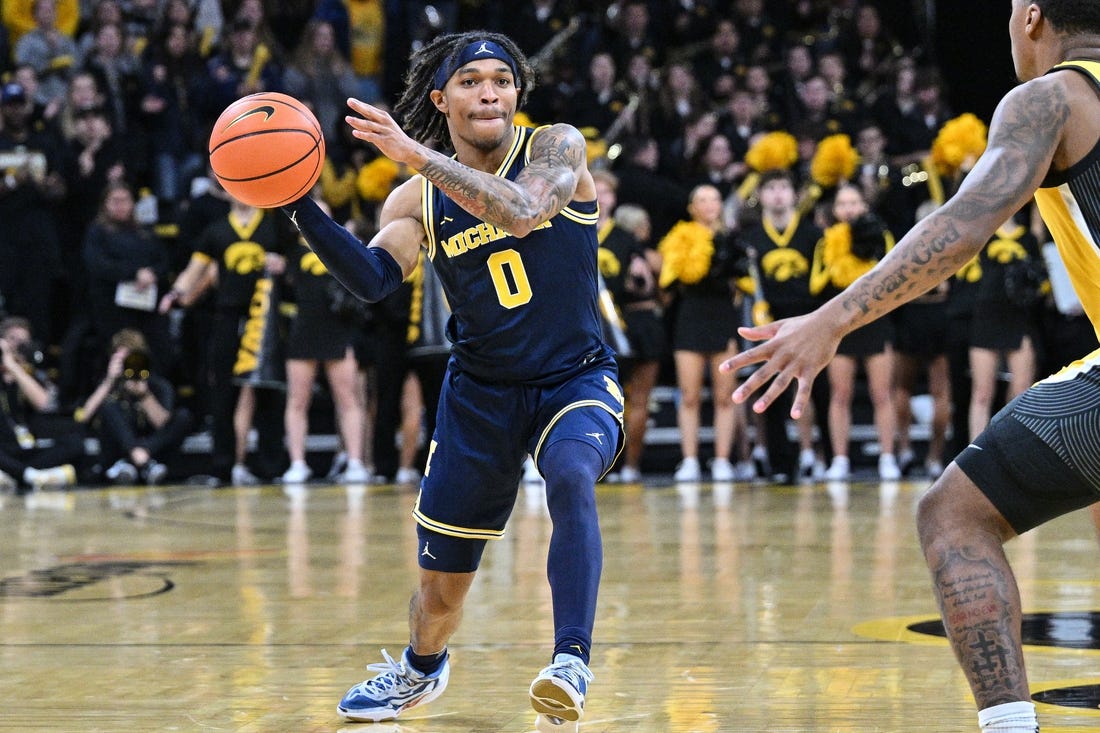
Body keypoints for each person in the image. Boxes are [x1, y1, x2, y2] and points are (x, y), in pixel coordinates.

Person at [721, 4, 1100, 731]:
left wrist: (831, 319)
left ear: (1030, 19)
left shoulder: (1050, 97)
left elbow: (962, 224)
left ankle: (1010, 726)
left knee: (953, 513)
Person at [279, 31, 624, 727]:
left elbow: (525, 212)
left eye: (502, 78)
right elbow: (375, 278)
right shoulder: (414, 199)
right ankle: (420, 668)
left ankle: (571, 659)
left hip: (574, 377)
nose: (490, 91)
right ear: (441, 99)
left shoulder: (557, 148)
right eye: (471, 81)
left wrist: (417, 154)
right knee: (440, 592)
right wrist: (297, 203)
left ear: (517, 93)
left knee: (569, 475)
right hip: (480, 396)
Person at [809, 183, 901, 481]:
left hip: (875, 320)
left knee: (881, 393)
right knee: (840, 394)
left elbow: (894, 276)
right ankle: (840, 459)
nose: (848, 209)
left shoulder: (882, 234)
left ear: (864, 206)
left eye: (854, 202)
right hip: (842, 325)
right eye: (842, 203)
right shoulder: (825, 241)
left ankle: (888, 457)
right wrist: (837, 263)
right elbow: (815, 284)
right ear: (834, 210)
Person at [659, 183, 749, 482]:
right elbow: (668, 277)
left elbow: (748, 282)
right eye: (702, 199)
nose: (710, 204)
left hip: (723, 315)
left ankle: (722, 460)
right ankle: (690, 460)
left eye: (715, 199)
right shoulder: (679, 236)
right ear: (692, 207)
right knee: (689, 395)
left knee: (725, 396)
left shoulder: (733, 237)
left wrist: (737, 266)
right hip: (691, 316)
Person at [281, 197, 370, 485]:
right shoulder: (290, 251)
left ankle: (355, 461)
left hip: (336, 329)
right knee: (297, 400)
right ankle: (297, 463)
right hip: (304, 329)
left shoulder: (341, 248)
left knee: (348, 400)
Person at [77, 330, 193, 485]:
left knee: (183, 416)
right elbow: (84, 417)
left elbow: (163, 425)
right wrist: (109, 381)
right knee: (109, 407)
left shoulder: (157, 385)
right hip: (116, 451)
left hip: (153, 451)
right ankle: (138, 460)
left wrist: (144, 396)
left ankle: (138, 458)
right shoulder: (108, 384)